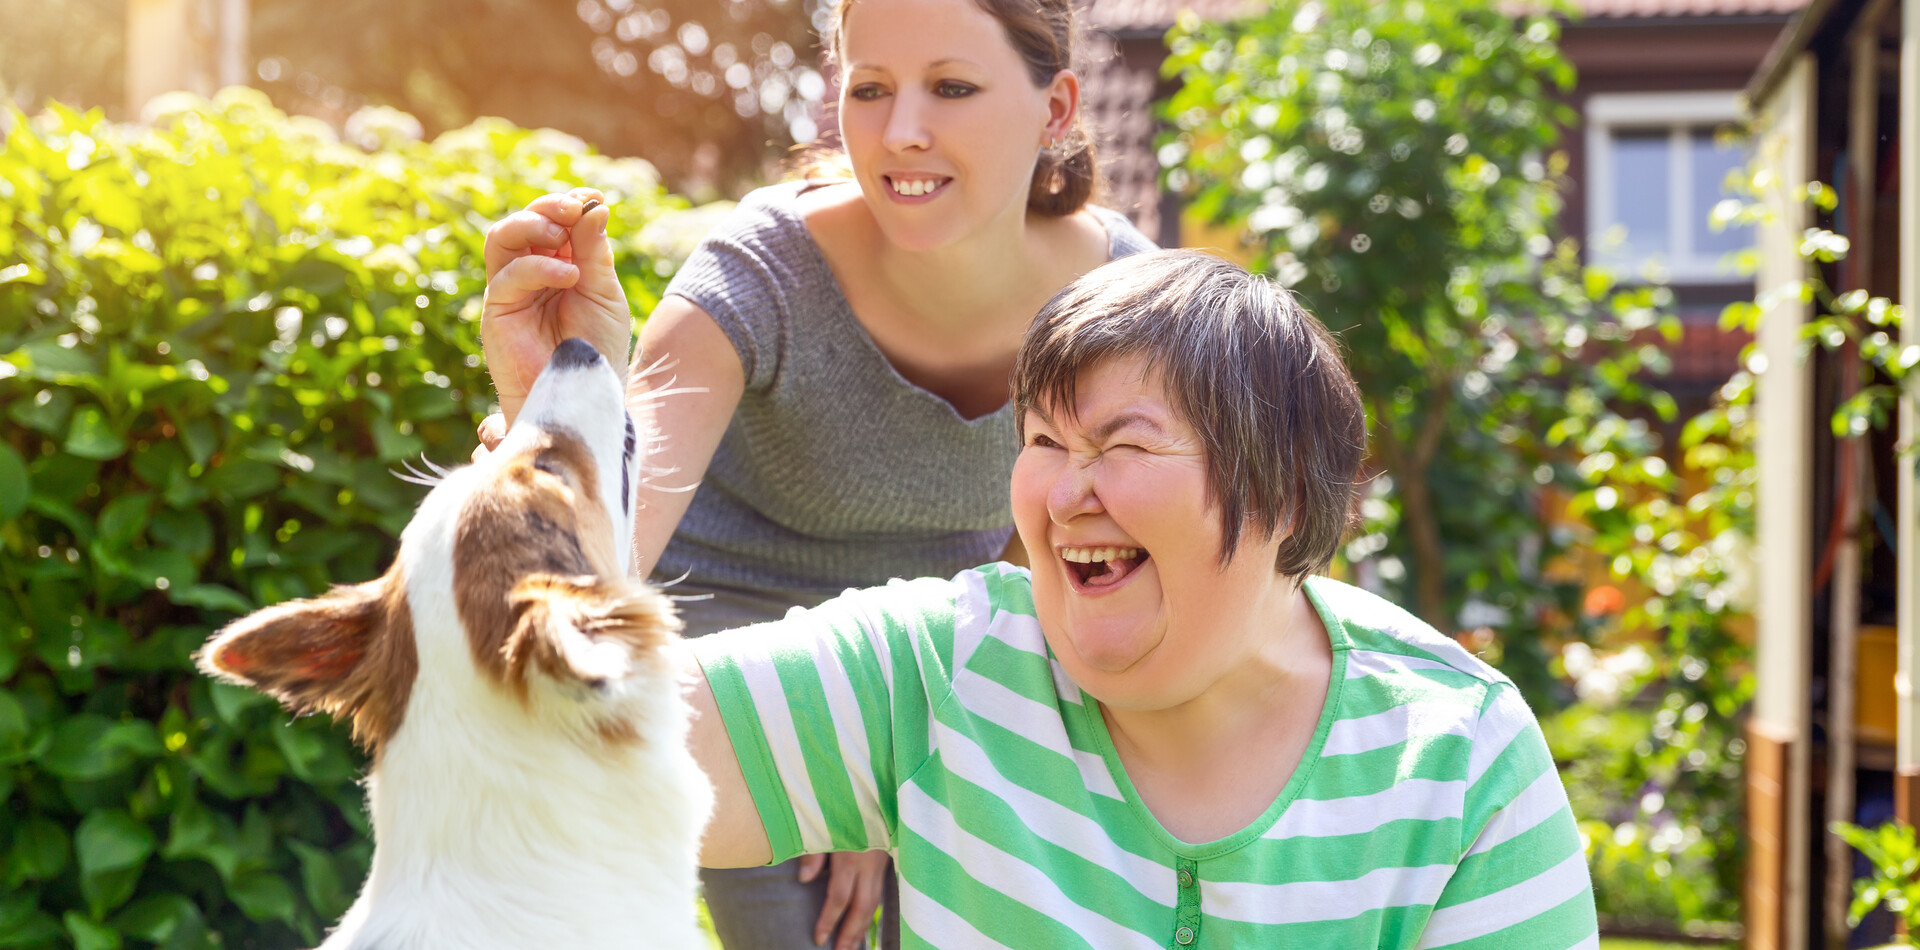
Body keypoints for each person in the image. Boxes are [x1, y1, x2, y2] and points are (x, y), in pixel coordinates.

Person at [474, 0, 1154, 943]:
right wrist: (543, 407)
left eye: (952, 87)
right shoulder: (757, 272)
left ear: (1056, 106)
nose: (900, 131)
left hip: (958, 646)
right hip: (729, 641)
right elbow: (603, 555)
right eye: (869, 88)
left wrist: (899, 737)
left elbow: (1073, 555)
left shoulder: (1123, 302)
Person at [685, 250, 1600, 949]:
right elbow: (583, 739)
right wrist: (552, 413)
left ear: (1279, 491)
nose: (1065, 492)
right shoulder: (943, 667)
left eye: (1126, 445)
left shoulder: (1461, 761)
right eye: (1044, 440)